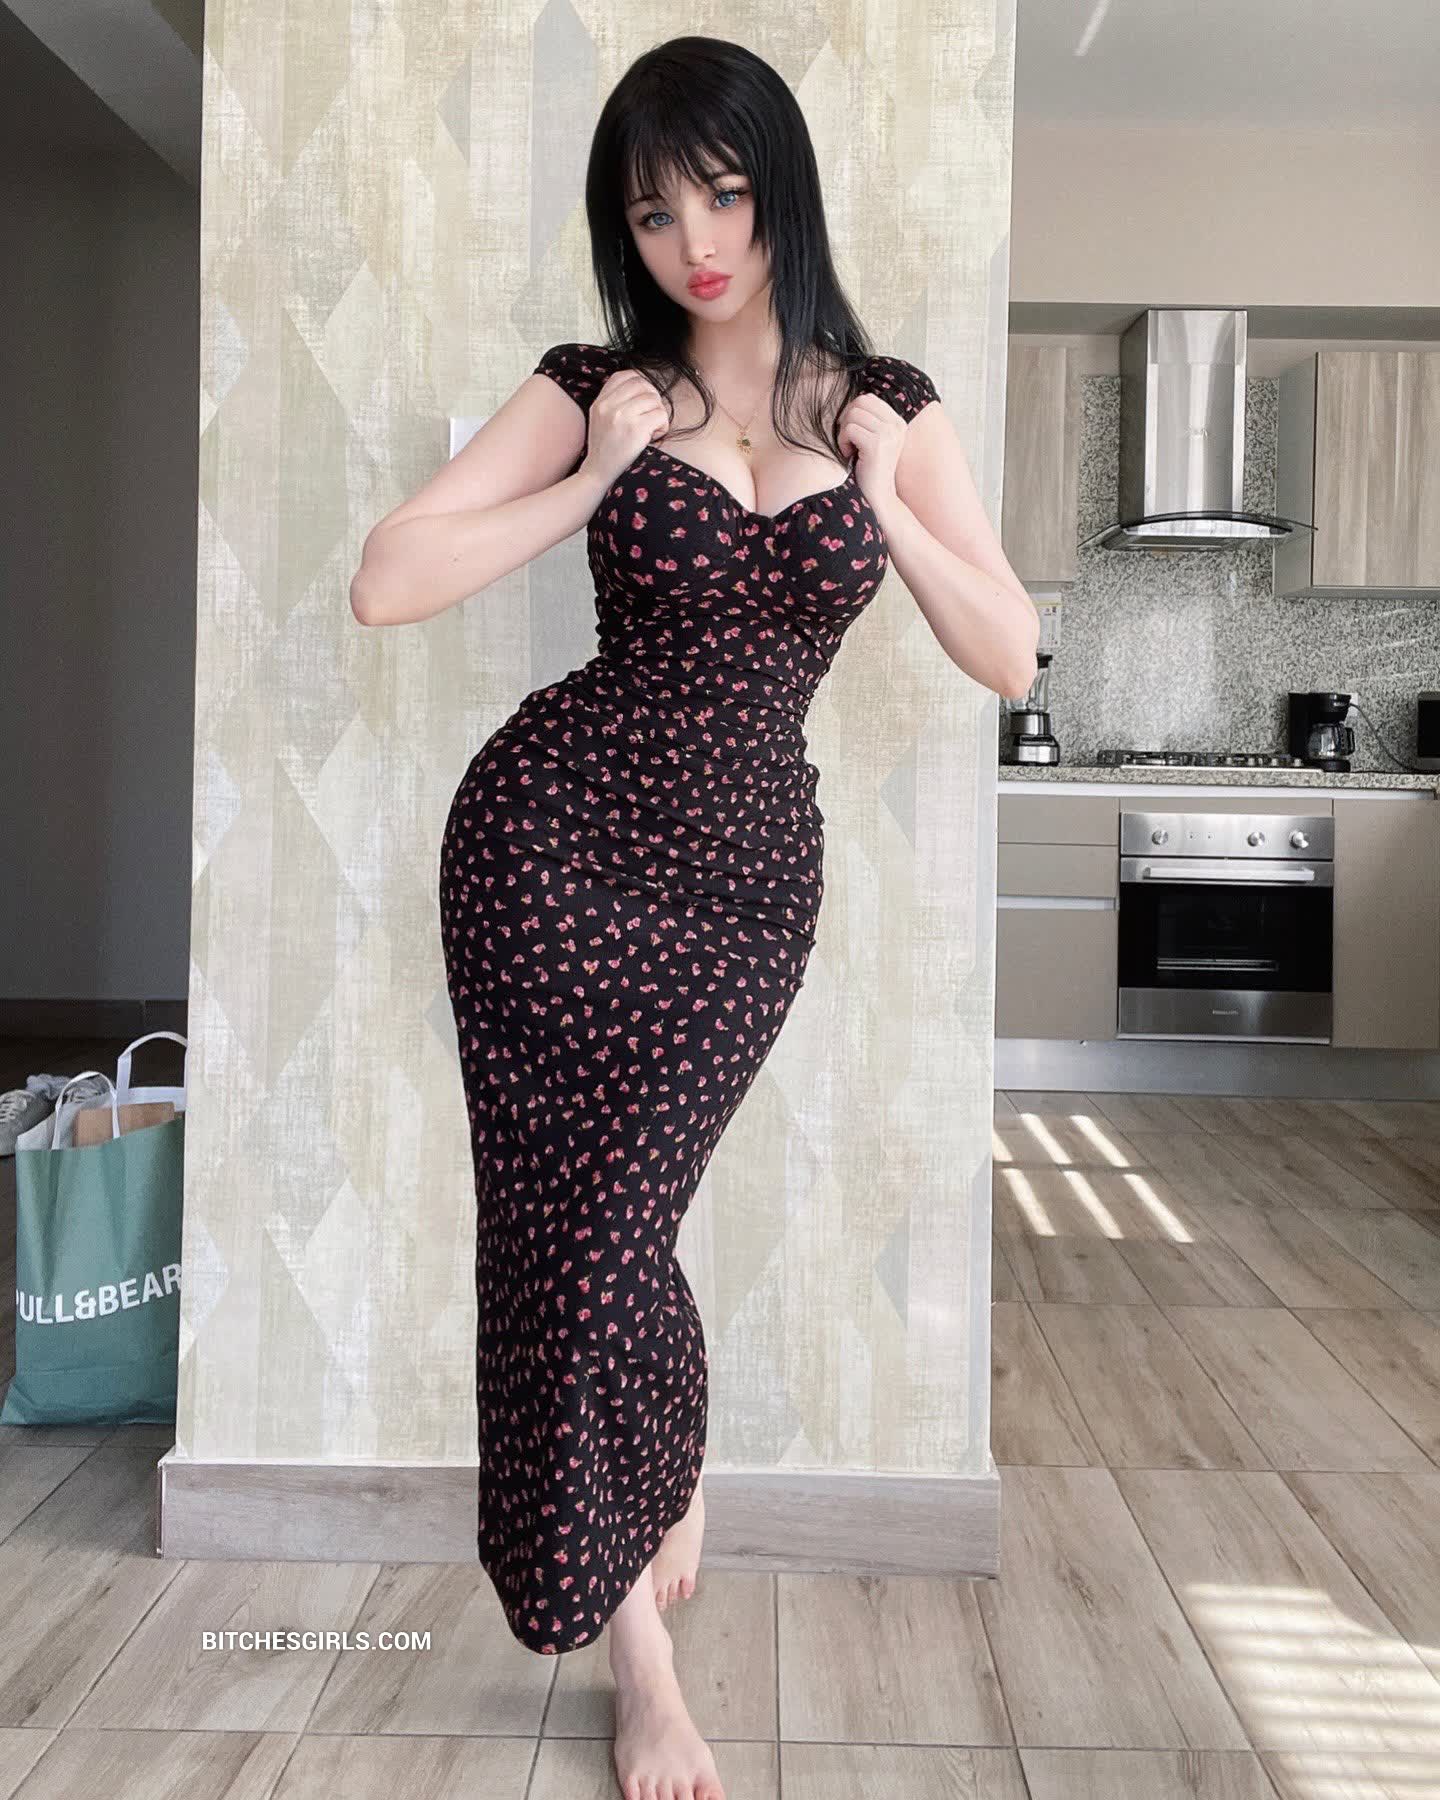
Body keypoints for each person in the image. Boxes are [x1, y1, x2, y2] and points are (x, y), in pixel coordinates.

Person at [350, 33, 1037, 1800]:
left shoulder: (884, 402)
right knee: (565, 1231)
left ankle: (665, 1455)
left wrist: (885, 501)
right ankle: (638, 1665)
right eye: (655, 214)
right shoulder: (596, 384)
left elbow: (1010, 651)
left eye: (722, 195)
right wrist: (591, 479)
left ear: (777, 186)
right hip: (547, 846)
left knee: (619, 1219)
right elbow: (387, 581)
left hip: (742, 886)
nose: (696, 243)